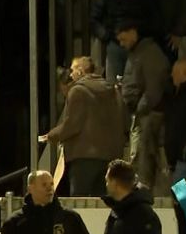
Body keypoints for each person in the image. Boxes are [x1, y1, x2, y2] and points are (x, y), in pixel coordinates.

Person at [40, 57, 126, 197]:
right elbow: (124, 120)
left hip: (83, 158)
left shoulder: (77, 91)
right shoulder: (113, 91)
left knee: (80, 202)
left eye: (73, 70)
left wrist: (51, 135)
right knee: (102, 203)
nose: (71, 73)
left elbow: (72, 125)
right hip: (110, 157)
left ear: (80, 71)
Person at [118, 21, 172, 191]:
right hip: (141, 112)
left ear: (133, 31)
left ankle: (145, 191)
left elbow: (154, 87)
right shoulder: (138, 52)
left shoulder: (149, 53)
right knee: (140, 155)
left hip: (148, 113)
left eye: (123, 39)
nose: (121, 44)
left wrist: (141, 108)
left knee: (145, 156)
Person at [92, 0, 163, 83]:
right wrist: (108, 35)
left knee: (135, 83)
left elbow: (156, 21)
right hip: (115, 44)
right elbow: (94, 20)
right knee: (115, 82)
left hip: (138, 46)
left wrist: (137, 32)